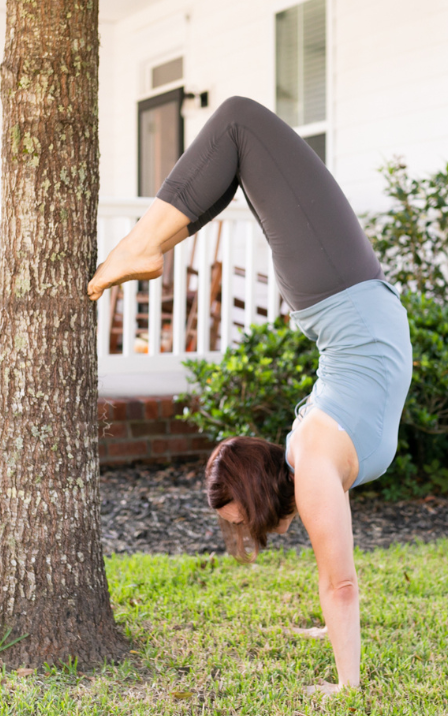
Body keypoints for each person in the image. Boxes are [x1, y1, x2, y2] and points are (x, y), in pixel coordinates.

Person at [88, 96, 413, 697]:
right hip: (344, 289)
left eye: (238, 516)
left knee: (238, 123)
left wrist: (344, 685)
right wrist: (340, 652)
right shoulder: (315, 468)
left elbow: (337, 585)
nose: (248, 531)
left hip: (338, 289)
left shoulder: (313, 461)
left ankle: (144, 244)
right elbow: (339, 582)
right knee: (237, 139)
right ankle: (149, 245)